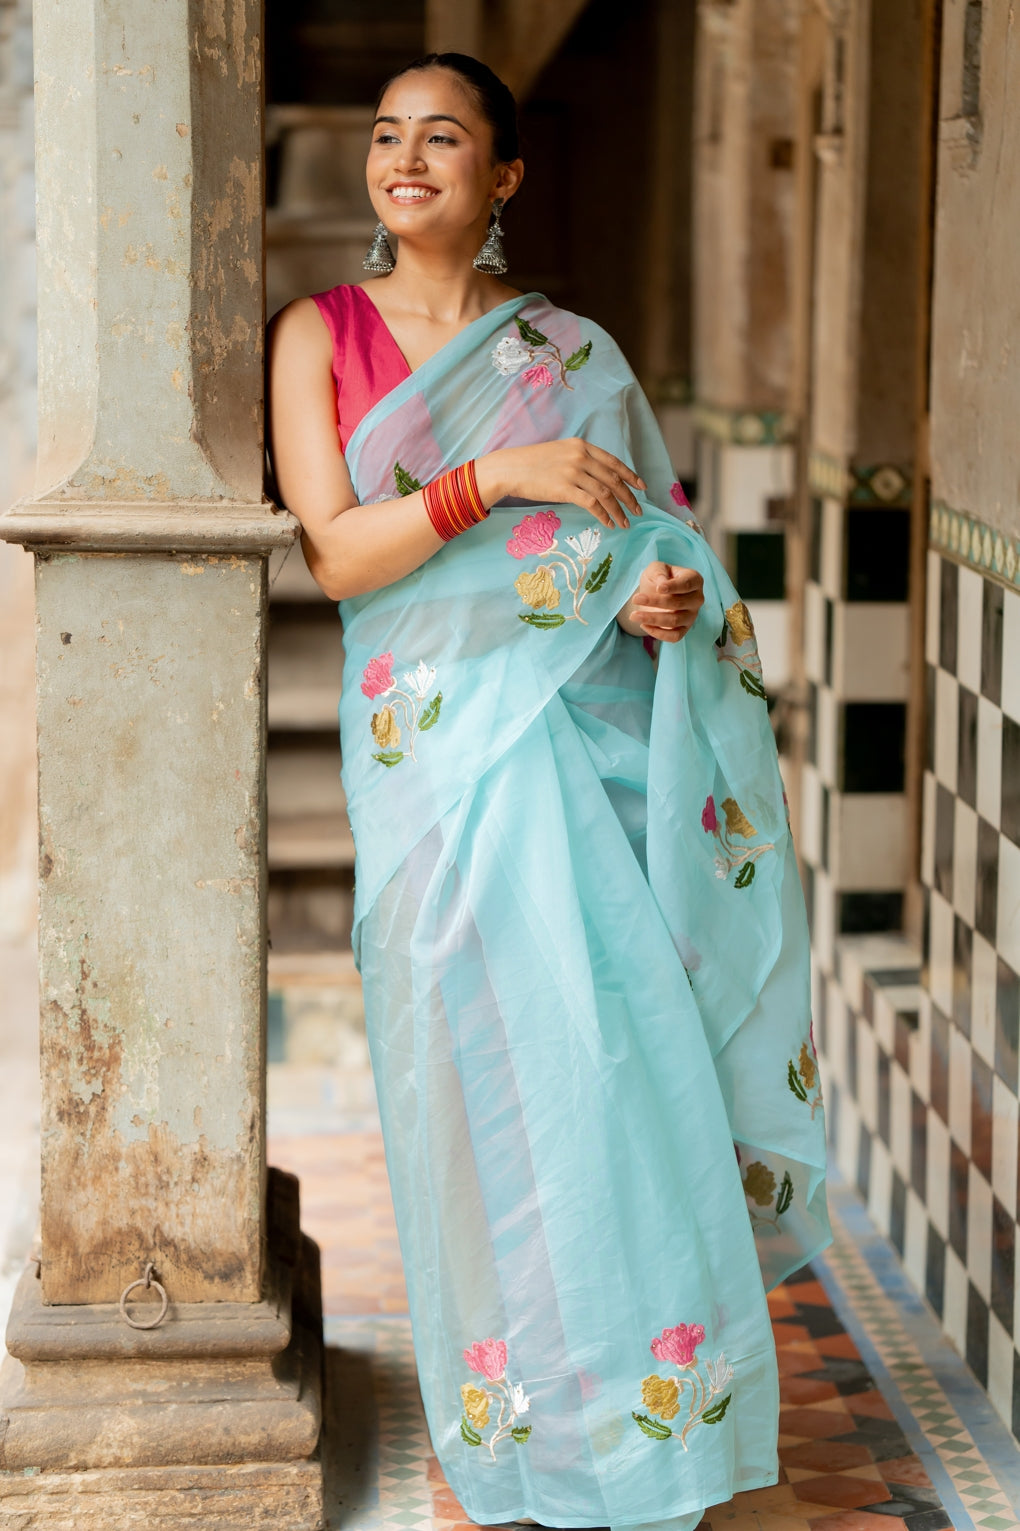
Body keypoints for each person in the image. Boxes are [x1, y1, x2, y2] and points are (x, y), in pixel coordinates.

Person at [268, 52, 829, 1531]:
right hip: (435, 780)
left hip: (588, 766)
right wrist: (500, 477)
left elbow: (665, 552)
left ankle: (687, 1454)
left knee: (622, 1083)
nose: (405, 159)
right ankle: (519, 1448)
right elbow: (337, 554)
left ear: (503, 179)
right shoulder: (317, 337)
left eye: (442, 138)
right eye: (388, 136)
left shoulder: (569, 351)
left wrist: (652, 603)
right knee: (477, 1111)